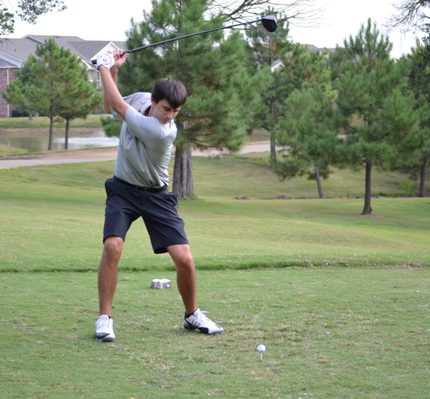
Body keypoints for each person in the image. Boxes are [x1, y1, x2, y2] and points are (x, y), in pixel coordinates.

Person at [94, 50, 224, 342]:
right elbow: (110, 105)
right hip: (123, 189)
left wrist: (101, 66)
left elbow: (116, 102)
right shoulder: (140, 98)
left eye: (176, 112)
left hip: (155, 194)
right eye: (166, 109)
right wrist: (113, 69)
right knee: (113, 246)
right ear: (152, 100)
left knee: (185, 259)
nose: (170, 116)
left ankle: (192, 315)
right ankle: (104, 319)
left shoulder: (162, 131)